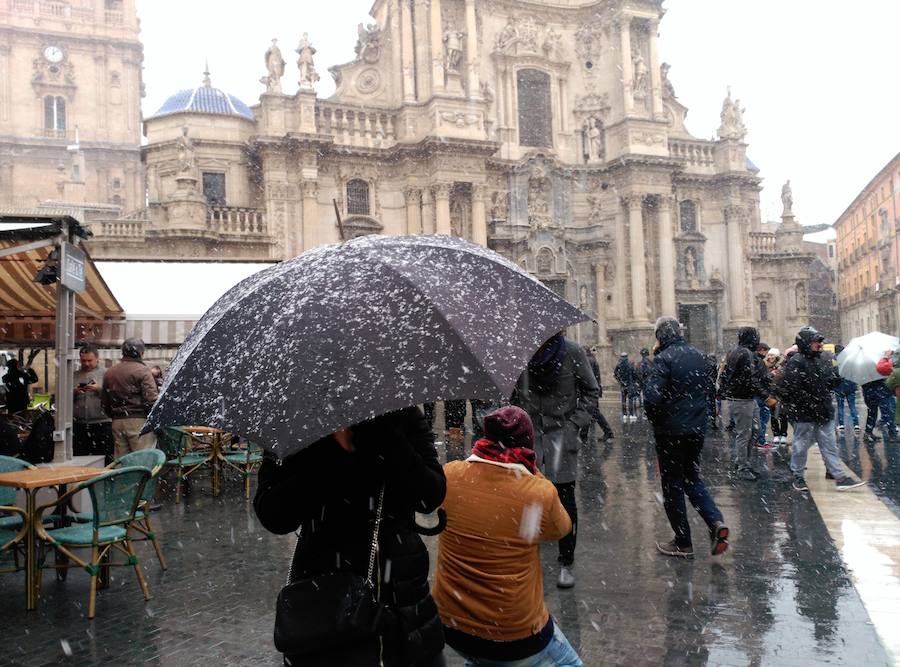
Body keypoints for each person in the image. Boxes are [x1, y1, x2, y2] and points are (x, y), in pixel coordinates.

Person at [253, 407, 446, 666]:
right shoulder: (294, 420)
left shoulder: (400, 414)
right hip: (322, 595)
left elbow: (429, 495)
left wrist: (383, 435)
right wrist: (331, 452)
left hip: (399, 593)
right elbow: (273, 515)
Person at [433, 406, 581, 666]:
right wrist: (533, 472)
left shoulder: (450, 474)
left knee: (481, 658)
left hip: (451, 626)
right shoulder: (537, 492)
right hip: (515, 635)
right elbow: (562, 528)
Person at [513, 332, 599, 588]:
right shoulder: (522, 353)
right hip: (529, 438)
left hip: (562, 434)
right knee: (528, 499)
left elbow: (592, 391)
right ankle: (526, 558)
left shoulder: (572, 352)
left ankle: (567, 562)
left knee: (565, 499)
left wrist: (574, 425)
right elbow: (512, 395)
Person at [643, 316, 728, 559]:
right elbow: (709, 390)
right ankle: (715, 521)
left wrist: (658, 419)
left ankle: (683, 542)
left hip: (671, 432)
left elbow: (652, 398)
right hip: (696, 429)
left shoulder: (663, 359)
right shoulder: (699, 356)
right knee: (692, 478)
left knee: (672, 486)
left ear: (660, 337)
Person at [775, 327, 865, 492]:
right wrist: (809, 400)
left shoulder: (822, 359)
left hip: (823, 410)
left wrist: (839, 377)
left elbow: (830, 381)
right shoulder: (797, 361)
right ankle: (798, 476)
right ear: (806, 343)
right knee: (801, 445)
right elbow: (794, 387)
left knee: (829, 445)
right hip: (805, 412)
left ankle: (839, 477)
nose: (820, 345)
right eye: (817, 342)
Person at [719, 327, 770, 480]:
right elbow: (749, 379)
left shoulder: (736, 351)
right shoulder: (745, 353)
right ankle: (742, 466)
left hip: (744, 398)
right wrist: (766, 395)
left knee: (755, 430)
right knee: (745, 433)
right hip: (742, 398)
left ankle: (743, 462)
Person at [101, 338, 159, 458]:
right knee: (142, 460)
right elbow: (151, 400)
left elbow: (104, 401)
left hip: (117, 422)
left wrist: (114, 415)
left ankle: (124, 477)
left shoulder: (110, 372)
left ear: (123, 352)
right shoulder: (142, 371)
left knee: (122, 462)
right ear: (141, 353)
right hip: (138, 421)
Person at [73, 344, 113, 460]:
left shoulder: (107, 374)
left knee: (104, 457)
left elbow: (113, 396)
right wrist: (75, 391)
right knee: (81, 457)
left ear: (97, 359)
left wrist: (99, 390)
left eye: (89, 360)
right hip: (79, 424)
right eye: (83, 361)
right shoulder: (74, 375)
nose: (86, 364)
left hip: (102, 422)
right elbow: (62, 398)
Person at [582, 345, 614, 442]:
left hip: (590, 390)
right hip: (593, 389)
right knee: (590, 412)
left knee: (593, 412)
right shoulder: (591, 359)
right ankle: (583, 435)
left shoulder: (587, 360)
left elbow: (587, 376)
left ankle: (608, 433)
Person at [832, 345, 860, 435]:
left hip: (839, 386)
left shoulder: (834, 360)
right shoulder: (849, 360)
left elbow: (834, 373)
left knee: (840, 406)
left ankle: (841, 424)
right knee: (852, 406)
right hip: (850, 385)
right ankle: (856, 424)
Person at [754, 342, 773, 450]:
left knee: (759, 419)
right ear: (761, 350)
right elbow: (763, 378)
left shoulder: (754, 360)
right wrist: (770, 376)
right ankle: (761, 441)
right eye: (766, 351)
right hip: (761, 395)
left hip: (757, 394)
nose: (767, 354)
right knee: (763, 418)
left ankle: (758, 440)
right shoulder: (759, 361)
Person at [614, 352, 637, 422]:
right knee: (630, 400)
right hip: (630, 384)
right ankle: (631, 414)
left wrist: (619, 380)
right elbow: (634, 374)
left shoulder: (619, 365)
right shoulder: (630, 364)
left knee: (623, 400)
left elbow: (615, 374)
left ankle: (624, 414)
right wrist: (633, 381)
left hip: (622, 385)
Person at [636, 348, 653, 420]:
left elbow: (642, 372)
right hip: (649, 381)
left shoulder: (643, 362)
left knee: (644, 396)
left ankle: (645, 412)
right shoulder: (650, 362)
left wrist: (640, 380)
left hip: (645, 381)